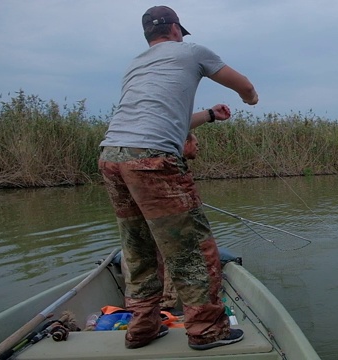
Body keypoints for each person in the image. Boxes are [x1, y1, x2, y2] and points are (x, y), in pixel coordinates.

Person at [98, 5, 258, 350]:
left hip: (112, 157)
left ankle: (142, 326)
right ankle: (206, 331)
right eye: (180, 32)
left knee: (137, 246)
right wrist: (251, 98)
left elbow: (166, 122)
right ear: (174, 30)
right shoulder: (192, 51)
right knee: (192, 251)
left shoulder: (137, 64)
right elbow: (243, 85)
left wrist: (212, 115)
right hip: (153, 161)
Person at [160, 132, 199, 313]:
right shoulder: (170, 163)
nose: (198, 147)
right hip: (168, 224)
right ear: (183, 143)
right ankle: (168, 305)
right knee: (176, 254)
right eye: (195, 143)